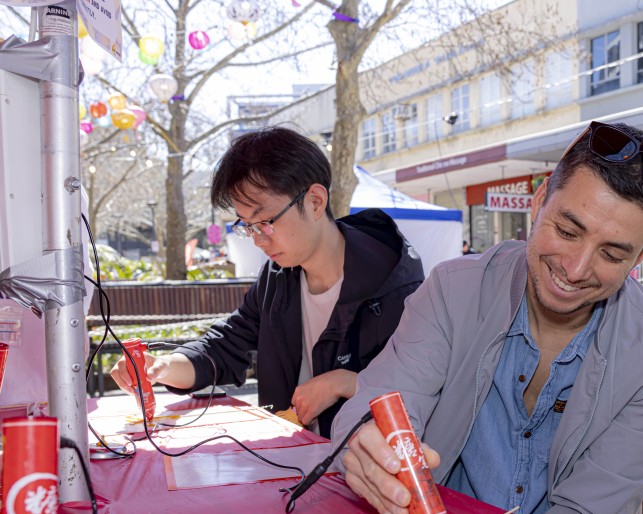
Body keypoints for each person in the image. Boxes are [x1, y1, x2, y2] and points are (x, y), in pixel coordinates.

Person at [333, 120, 643, 514]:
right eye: (567, 231)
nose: (576, 268)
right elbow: (379, 402)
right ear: (540, 200)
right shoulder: (453, 289)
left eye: (612, 254)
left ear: (642, 254)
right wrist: (369, 449)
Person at [109, 127, 424, 436]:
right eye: (248, 226)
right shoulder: (278, 278)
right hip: (291, 458)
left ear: (315, 201)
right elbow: (223, 347)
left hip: (368, 470)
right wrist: (162, 366)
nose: (258, 240)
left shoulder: (394, 285)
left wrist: (344, 382)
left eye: (266, 222)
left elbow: (423, 386)